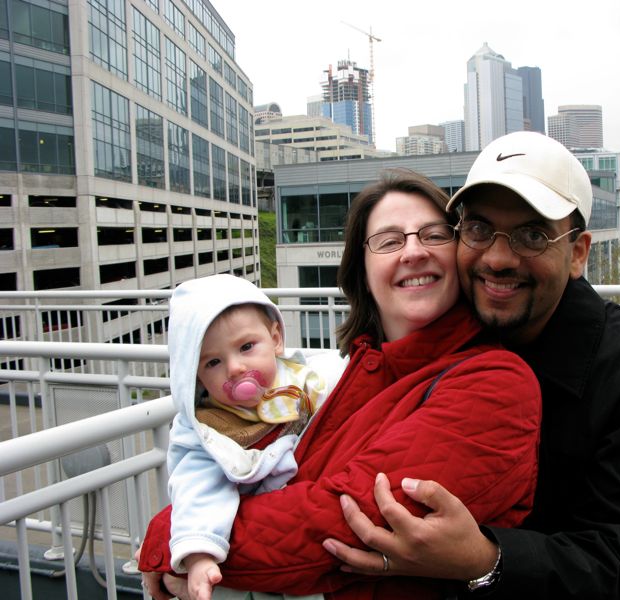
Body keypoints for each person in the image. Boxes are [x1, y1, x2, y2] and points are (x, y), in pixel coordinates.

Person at [138, 169, 543, 600]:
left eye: (433, 234)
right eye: (389, 241)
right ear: (363, 271)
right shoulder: (358, 372)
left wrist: (169, 536)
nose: (413, 251)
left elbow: (338, 521)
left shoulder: (495, 384)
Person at [322, 132, 620, 599]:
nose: (497, 258)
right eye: (478, 230)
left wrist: (487, 559)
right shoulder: (444, 327)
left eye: (532, 235)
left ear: (577, 253)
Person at [164, 274, 329, 599]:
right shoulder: (211, 429)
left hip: (307, 532)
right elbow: (197, 488)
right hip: (243, 546)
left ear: (276, 339)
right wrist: (200, 554)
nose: (235, 367)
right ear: (195, 377)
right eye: (213, 362)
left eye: (246, 347)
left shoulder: (304, 383)